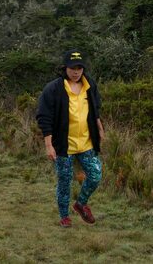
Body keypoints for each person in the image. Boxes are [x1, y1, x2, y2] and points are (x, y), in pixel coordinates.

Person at [37, 49, 105, 228]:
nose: (76, 72)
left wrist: (98, 126)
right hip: (64, 145)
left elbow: (95, 107)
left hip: (86, 142)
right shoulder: (54, 89)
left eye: (79, 68)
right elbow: (44, 117)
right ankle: (64, 215)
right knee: (65, 181)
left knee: (96, 175)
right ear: (65, 68)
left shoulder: (89, 84)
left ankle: (81, 204)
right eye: (72, 68)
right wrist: (48, 145)